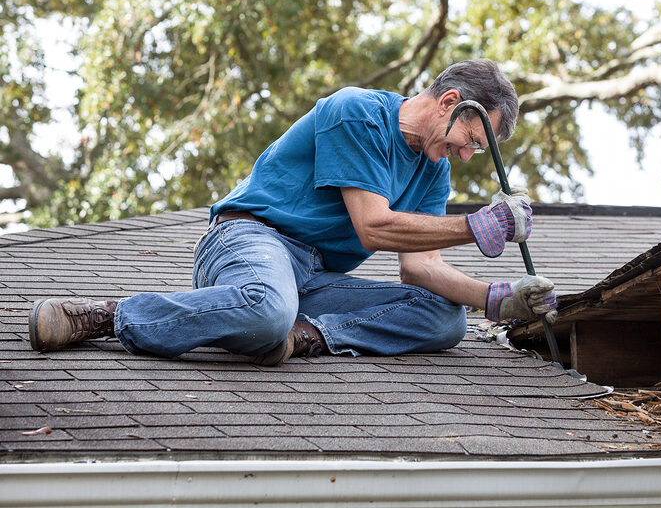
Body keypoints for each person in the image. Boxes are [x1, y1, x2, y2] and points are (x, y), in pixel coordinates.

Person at [29, 59, 558, 365]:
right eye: (470, 138)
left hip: (312, 277)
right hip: (250, 240)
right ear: (449, 102)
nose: (467, 156)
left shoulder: (433, 169)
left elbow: (423, 268)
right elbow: (373, 227)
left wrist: (498, 300)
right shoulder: (358, 113)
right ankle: (110, 316)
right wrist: (479, 227)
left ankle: (300, 338)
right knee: (265, 307)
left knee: (444, 319)